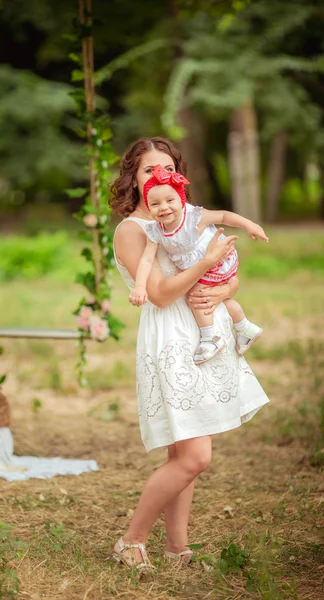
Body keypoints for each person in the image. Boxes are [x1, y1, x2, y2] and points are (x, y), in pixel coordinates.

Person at [110, 136, 269, 570]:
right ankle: (131, 539)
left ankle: (177, 549)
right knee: (197, 457)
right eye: (147, 170)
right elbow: (160, 295)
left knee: (183, 457)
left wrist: (222, 286)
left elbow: (228, 280)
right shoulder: (133, 230)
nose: (157, 176)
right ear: (134, 178)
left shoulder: (185, 220)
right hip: (173, 341)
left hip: (205, 333)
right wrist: (207, 263)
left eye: (166, 168)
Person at [128, 164, 268, 365]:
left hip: (217, 260)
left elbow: (223, 216)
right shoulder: (155, 230)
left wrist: (249, 224)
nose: (164, 207)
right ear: (148, 207)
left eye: (170, 200)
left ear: (181, 200)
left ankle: (210, 339)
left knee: (196, 297)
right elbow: (147, 259)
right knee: (214, 300)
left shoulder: (193, 217)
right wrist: (140, 286)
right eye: (155, 204)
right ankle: (245, 327)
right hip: (204, 265)